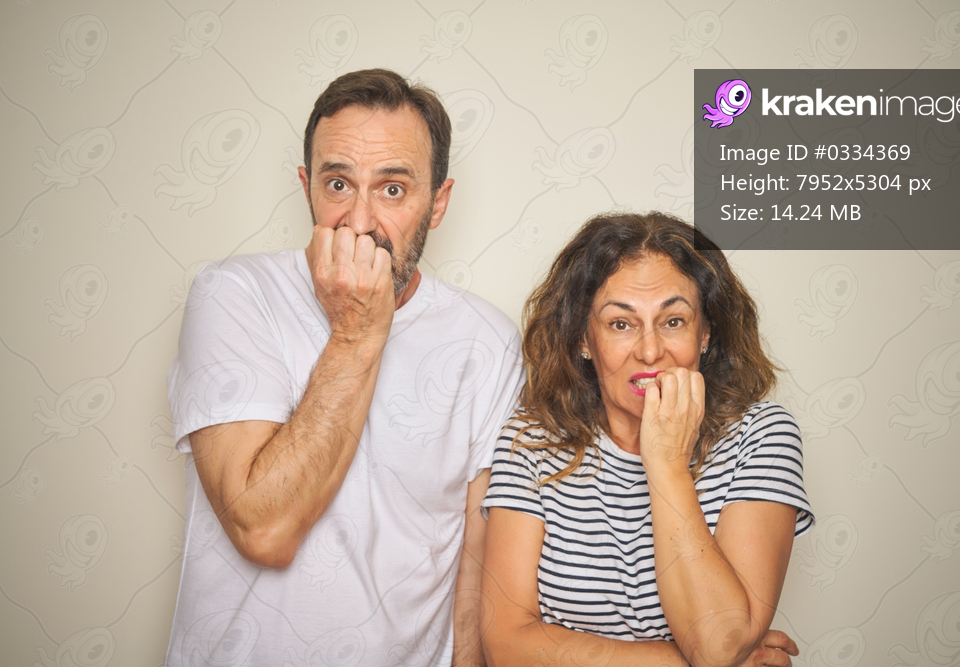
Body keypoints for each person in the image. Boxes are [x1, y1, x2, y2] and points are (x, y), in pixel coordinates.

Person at [164, 69, 523, 667]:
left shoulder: (487, 342)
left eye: (392, 190)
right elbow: (264, 530)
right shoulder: (231, 295)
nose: (359, 222)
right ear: (306, 187)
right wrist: (359, 330)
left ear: (437, 204)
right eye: (338, 184)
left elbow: (473, 568)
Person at [480, 211, 814, 667]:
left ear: (706, 333)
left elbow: (717, 644)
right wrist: (685, 663)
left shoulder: (762, 436)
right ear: (583, 338)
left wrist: (667, 463)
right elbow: (506, 645)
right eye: (621, 324)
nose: (651, 351)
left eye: (673, 321)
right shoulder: (532, 442)